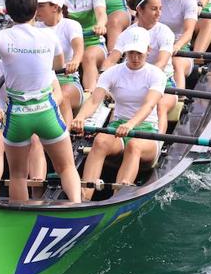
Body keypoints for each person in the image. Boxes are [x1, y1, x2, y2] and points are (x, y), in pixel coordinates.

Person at [0, 0, 82, 204]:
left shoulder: (0, 36)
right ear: (35, 12)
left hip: (18, 115)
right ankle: (76, 206)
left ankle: (20, 215)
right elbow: (58, 65)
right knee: (66, 167)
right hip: (46, 111)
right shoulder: (49, 35)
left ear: (9, 13)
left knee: (18, 175)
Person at [71, 27, 166, 200]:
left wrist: (131, 125)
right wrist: (80, 117)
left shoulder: (156, 74)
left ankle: (118, 198)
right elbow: (94, 100)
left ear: (148, 51)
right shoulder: (112, 72)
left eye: (140, 53)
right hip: (118, 127)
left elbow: (148, 105)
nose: (135, 58)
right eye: (131, 53)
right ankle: (84, 197)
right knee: (99, 141)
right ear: (125, 51)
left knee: (134, 146)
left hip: (147, 131)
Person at [103, 0, 176, 133]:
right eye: (154, 9)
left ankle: (158, 144)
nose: (159, 13)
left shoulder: (165, 32)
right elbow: (111, 60)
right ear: (140, 10)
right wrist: (101, 78)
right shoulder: (127, 34)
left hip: (163, 81)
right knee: (120, 105)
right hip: (132, 80)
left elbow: (161, 63)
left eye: (160, 9)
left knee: (159, 106)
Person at [0, 59, 48, 199]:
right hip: (10, 124)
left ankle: (37, 187)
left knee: (34, 139)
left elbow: (56, 95)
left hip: (37, 121)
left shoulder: (37, 60)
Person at [53, 0, 108, 91]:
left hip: (92, 41)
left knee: (88, 57)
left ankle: (90, 94)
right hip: (68, 44)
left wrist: (100, 25)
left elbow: (101, 14)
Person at [35, 0, 84, 124]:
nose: (36, 10)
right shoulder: (35, 28)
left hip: (68, 79)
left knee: (61, 96)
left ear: (55, 7)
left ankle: (65, 138)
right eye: (36, 6)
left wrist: (75, 61)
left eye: (41, 6)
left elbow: (79, 49)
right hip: (43, 81)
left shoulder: (71, 25)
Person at [155, 0, 199, 94]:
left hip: (180, 48)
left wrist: (176, 46)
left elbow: (188, 32)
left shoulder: (189, 1)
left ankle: (179, 98)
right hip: (156, 45)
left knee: (176, 64)